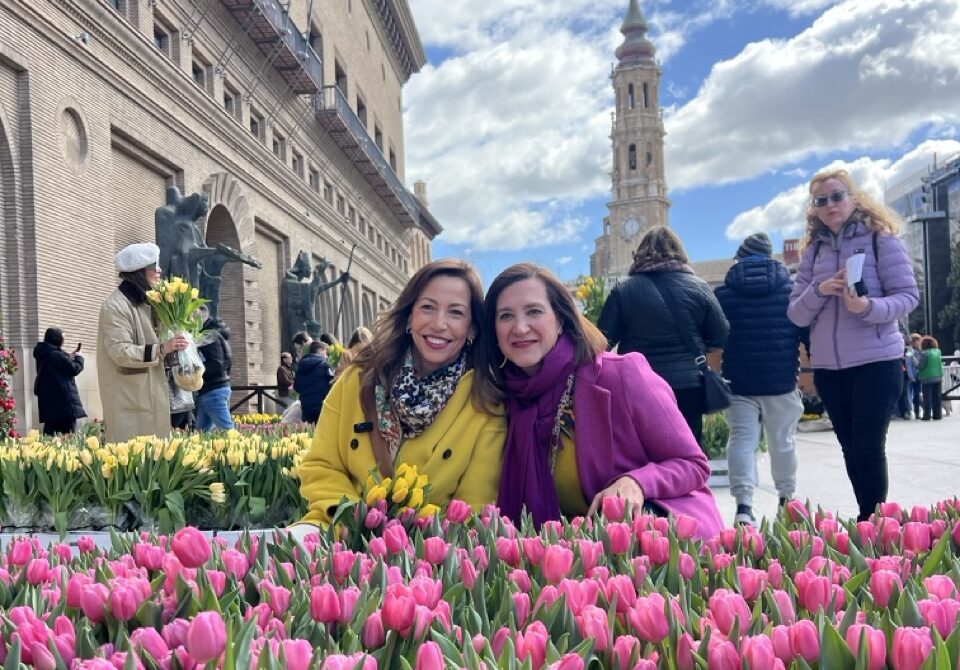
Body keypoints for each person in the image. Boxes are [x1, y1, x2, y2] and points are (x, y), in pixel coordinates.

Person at [479, 263, 723, 539]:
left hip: (653, 540)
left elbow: (692, 464)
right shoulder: (505, 397)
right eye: (506, 316)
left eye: (534, 311)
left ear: (560, 319)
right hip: (572, 549)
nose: (520, 327)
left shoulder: (620, 375)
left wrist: (637, 482)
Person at [294, 259, 506, 531]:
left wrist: (411, 540)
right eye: (428, 307)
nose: (439, 323)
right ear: (409, 316)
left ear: (472, 328)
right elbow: (320, 464)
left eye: (456, 313)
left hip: (429, 546)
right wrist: (352, 520)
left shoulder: (485, 403)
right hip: (339, 530)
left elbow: (474, 507)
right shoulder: (358, 378)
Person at [787, 169, 919, 522]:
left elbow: (908, 297)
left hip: (876, 361)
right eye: (821, 200)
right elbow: (796, 313)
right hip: (829, 368)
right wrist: (820, 290)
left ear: (854, 198)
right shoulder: (813, 252)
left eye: (837, 196)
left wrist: (867, 307)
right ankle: (871, 521)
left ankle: (872, 523)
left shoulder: (880, 239)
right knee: (849, 448)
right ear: (814, 208)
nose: (830, 205)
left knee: (868, 447)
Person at [598, 226, 729, 446]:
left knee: (642, 450)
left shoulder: (624, 290)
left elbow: (601, 342)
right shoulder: (699, 287)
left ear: (640, 254)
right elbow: (720, 337)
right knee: (688, 452)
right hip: (689, 385)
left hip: (639, 385)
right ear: (679, 252)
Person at [714, 233, 804, 526]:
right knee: (783, 442)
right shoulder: (791, 291)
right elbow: (804, 331)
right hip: (782, 380)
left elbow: (714, 336)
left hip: (739, 381)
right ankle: (786, 501)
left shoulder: (724, 294)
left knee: (741, 441)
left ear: (739, 258)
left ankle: (744, 507)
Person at [98, 242, 190, 444]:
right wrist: (163, 348)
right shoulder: (116, 305)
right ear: (140, 272)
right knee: (133, 456)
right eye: (154, 266)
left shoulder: (151, 302)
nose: (159, 271)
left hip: (152, 393)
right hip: (129, 397)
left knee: (156, 453)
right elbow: (120, 351)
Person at [33, 327, 86, 435]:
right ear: (57, 339)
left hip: (50, 405)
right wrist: (79, 358)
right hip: (63, 405)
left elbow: (60, 365)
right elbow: (74, 369)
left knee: (50, 437)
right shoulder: (55, 355)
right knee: (69, 438)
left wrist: (69, 356)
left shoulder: (44, 353)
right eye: (63, 338)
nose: (64, 341)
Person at [195, 308, 234, 431]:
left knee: (228, 431)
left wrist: (195, 372)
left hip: (213, 390)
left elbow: (216, 365)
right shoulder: (212, 334)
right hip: (212, 389)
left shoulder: (209, 337)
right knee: (201, 433)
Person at [294, 340, 334, 423]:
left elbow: (296, 386)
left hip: (306, 406)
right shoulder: (324, 365)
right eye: (325, 352)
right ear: (320, 350)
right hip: (321, 405)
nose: (326, 356)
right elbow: (332, 384)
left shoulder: (301, 365)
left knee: (310, 429)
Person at [916, 335, 943, 421]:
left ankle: (927, 415)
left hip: (927, 377)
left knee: (927, 397)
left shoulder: (924, 353)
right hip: (938, 376)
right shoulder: (938, 351)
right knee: (937, 397)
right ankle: (937, 414)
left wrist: (913, 360)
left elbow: (920, 366)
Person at [908, 333, 924, 419]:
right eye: (914, 340)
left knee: (923, 393)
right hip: (915, 375)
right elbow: (908, 364)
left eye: (918, 340)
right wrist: (911, 376)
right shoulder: (910, 351)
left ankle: (925, 410)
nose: (916, 342)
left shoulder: (923, 350)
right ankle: (917, 412)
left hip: (923, 375)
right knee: (916, 394)